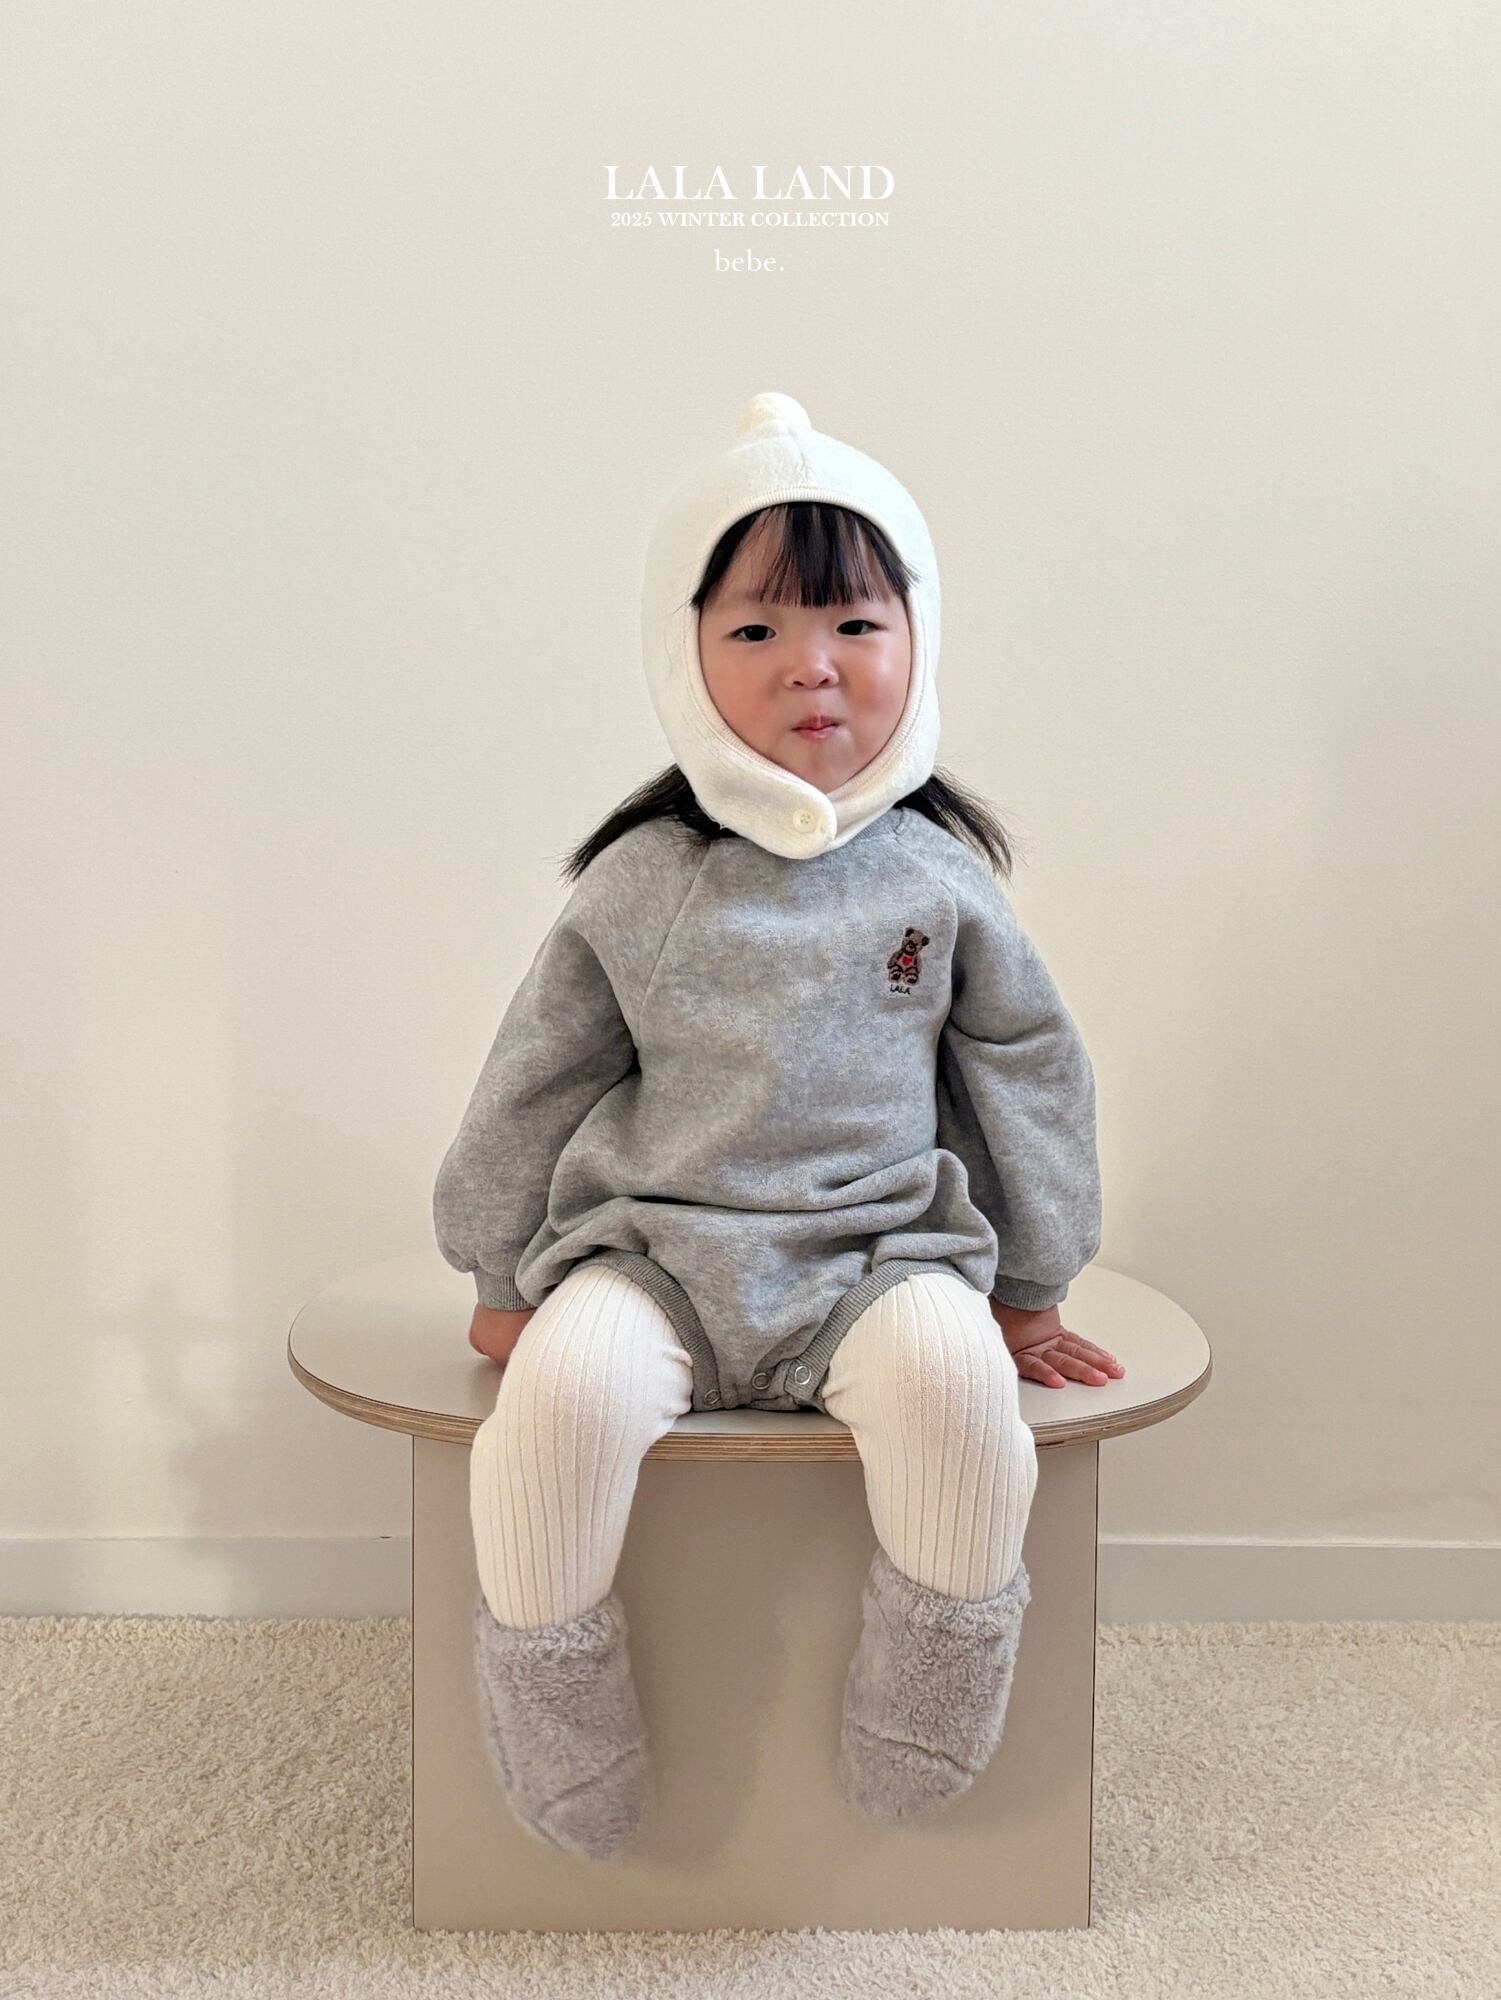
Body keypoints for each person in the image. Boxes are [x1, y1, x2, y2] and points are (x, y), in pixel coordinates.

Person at [432, 390, 1124, 1862]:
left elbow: (1028, 1070)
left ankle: (928, 1696)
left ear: (916, 639)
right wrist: (497, 1270)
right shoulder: (641, 879)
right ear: (681, 657)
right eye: (756, 629)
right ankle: (558, 1709)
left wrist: (1030, 1282)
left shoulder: (939, 878)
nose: (813, 664)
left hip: (882, 1253)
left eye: (856, 623)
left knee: (960, 1401)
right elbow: (537, 1072)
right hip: (654, 1252)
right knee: (555, 1409)